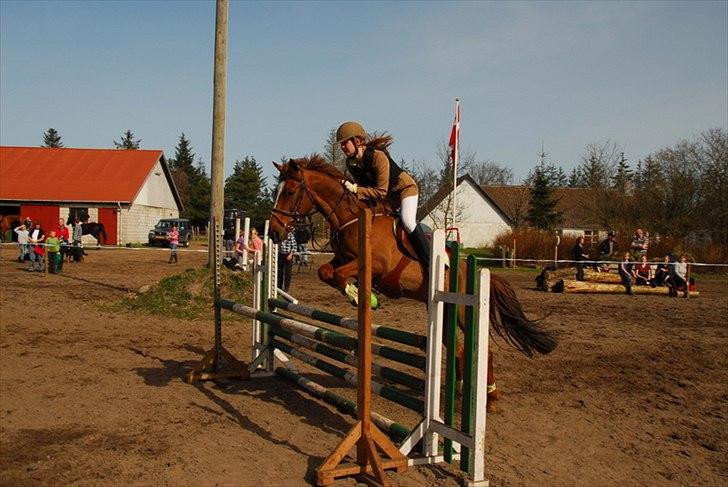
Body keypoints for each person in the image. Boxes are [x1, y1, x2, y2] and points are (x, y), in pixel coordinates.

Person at [336, 121, 429, 270]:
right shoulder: (351, 163)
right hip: (387, 198)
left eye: (344, 143)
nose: (342, 147)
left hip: (404, 190)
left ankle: (429, 261)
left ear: (357, 140)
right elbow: (366, 189)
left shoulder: (377, 156)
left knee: (407, 221)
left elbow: (380, 192)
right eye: (340, 144)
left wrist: (355, 190)